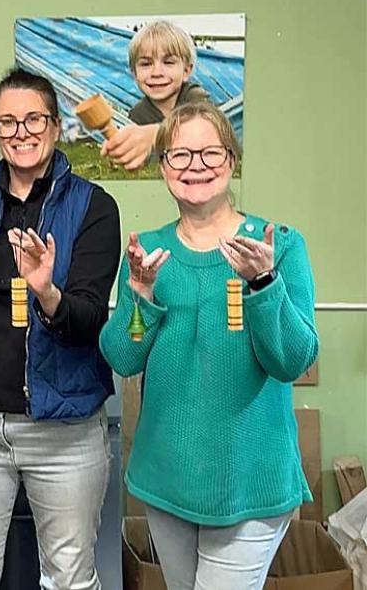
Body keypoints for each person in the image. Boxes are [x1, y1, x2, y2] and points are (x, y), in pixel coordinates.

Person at [99, 101, 318, 590]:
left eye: (210, 153)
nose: (195, 166)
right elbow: (124, 354)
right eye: (179, 155)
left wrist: (263, 284)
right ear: (162, 168)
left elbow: (292, 360)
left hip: (250, 484)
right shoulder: (148, 250)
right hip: (168, 481)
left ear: (232, 160)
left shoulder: (278, 245)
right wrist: (140, 294)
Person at [0, 67, 121, 589]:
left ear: (57, 128)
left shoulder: (94, 208)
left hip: (65, 430)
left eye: (34, 118)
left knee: (70, 579)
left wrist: (45, 291)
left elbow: (88, 321)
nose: (21, 132)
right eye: (6, 122)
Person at [102, 20, 209, 171]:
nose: (157, 73)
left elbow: (205, 129)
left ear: (186, 71)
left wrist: (154, 135)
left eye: (168, 62)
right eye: (146, 64)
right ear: (134, 73)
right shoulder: (137, 115)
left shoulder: (194, 96)